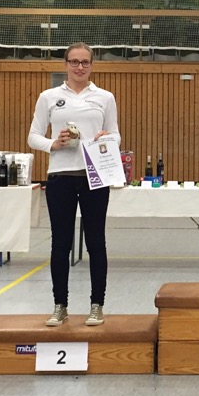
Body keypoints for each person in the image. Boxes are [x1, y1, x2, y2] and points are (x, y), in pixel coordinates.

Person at [28, 42, 119, 327]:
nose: (80, 67)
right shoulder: (49, 97)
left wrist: (106, 138)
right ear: (65, 64)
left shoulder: (104, 97)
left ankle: (97, 305)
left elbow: (116, 135)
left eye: (85, 62)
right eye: (74, 62)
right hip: (60, 177)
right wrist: (53, 144)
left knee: (96, 243)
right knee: (60, 244)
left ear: (92, 65)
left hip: (94, 178)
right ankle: (60, 306)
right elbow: (33, 136)